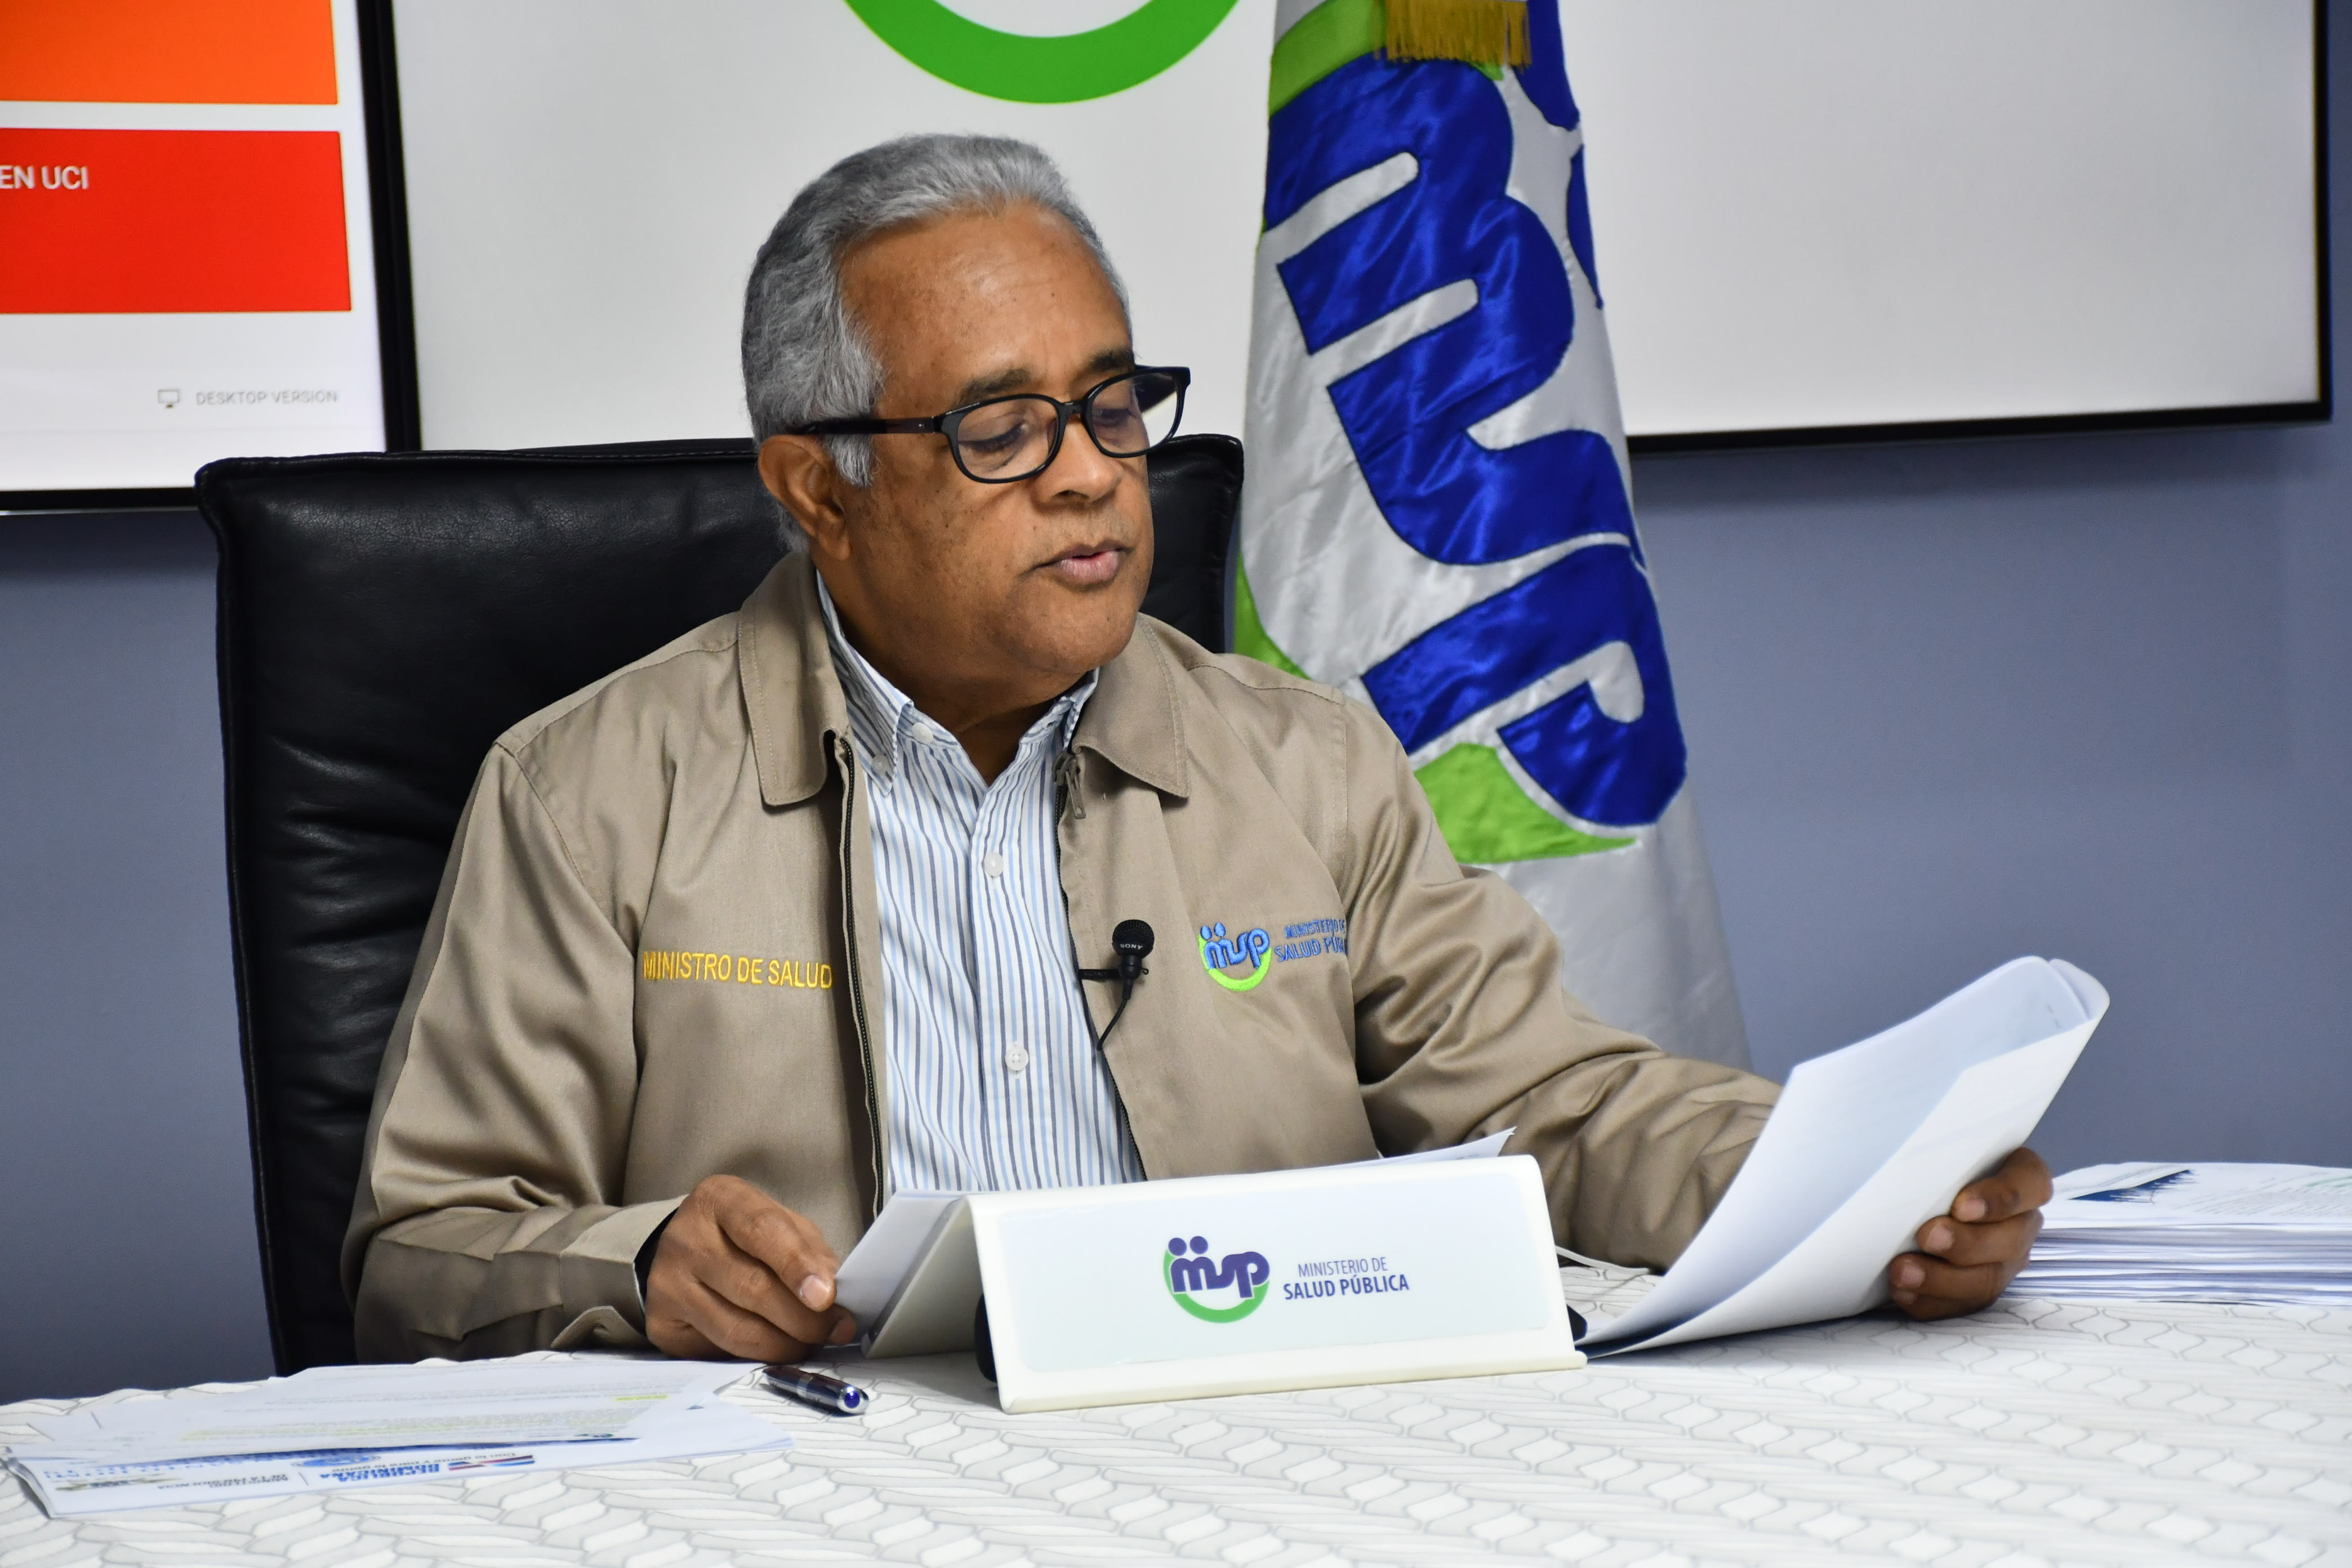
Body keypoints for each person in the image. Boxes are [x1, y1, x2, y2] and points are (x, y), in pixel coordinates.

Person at [344, 135, 2048, 1363]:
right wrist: (640, 1268)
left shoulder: (1305, 765)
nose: (1093, 473)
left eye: (1109, 406)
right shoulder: (590, 792)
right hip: (827, 1488)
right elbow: (423, 1253)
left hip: (1251, 1455)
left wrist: (1861, 1185)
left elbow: (1559, 1108)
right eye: (1002, 429)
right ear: (820, 490)